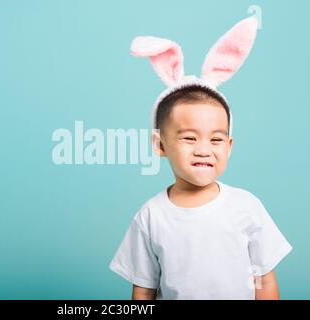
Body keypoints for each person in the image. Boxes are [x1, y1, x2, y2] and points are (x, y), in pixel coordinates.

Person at [109, 16, 292, 300]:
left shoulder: (246, 207)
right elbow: (143, 290)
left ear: (229, 147)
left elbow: (265, 281)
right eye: (189, 138)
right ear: (160, 145)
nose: (204, 149)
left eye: (216, 139)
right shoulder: (150, 217)